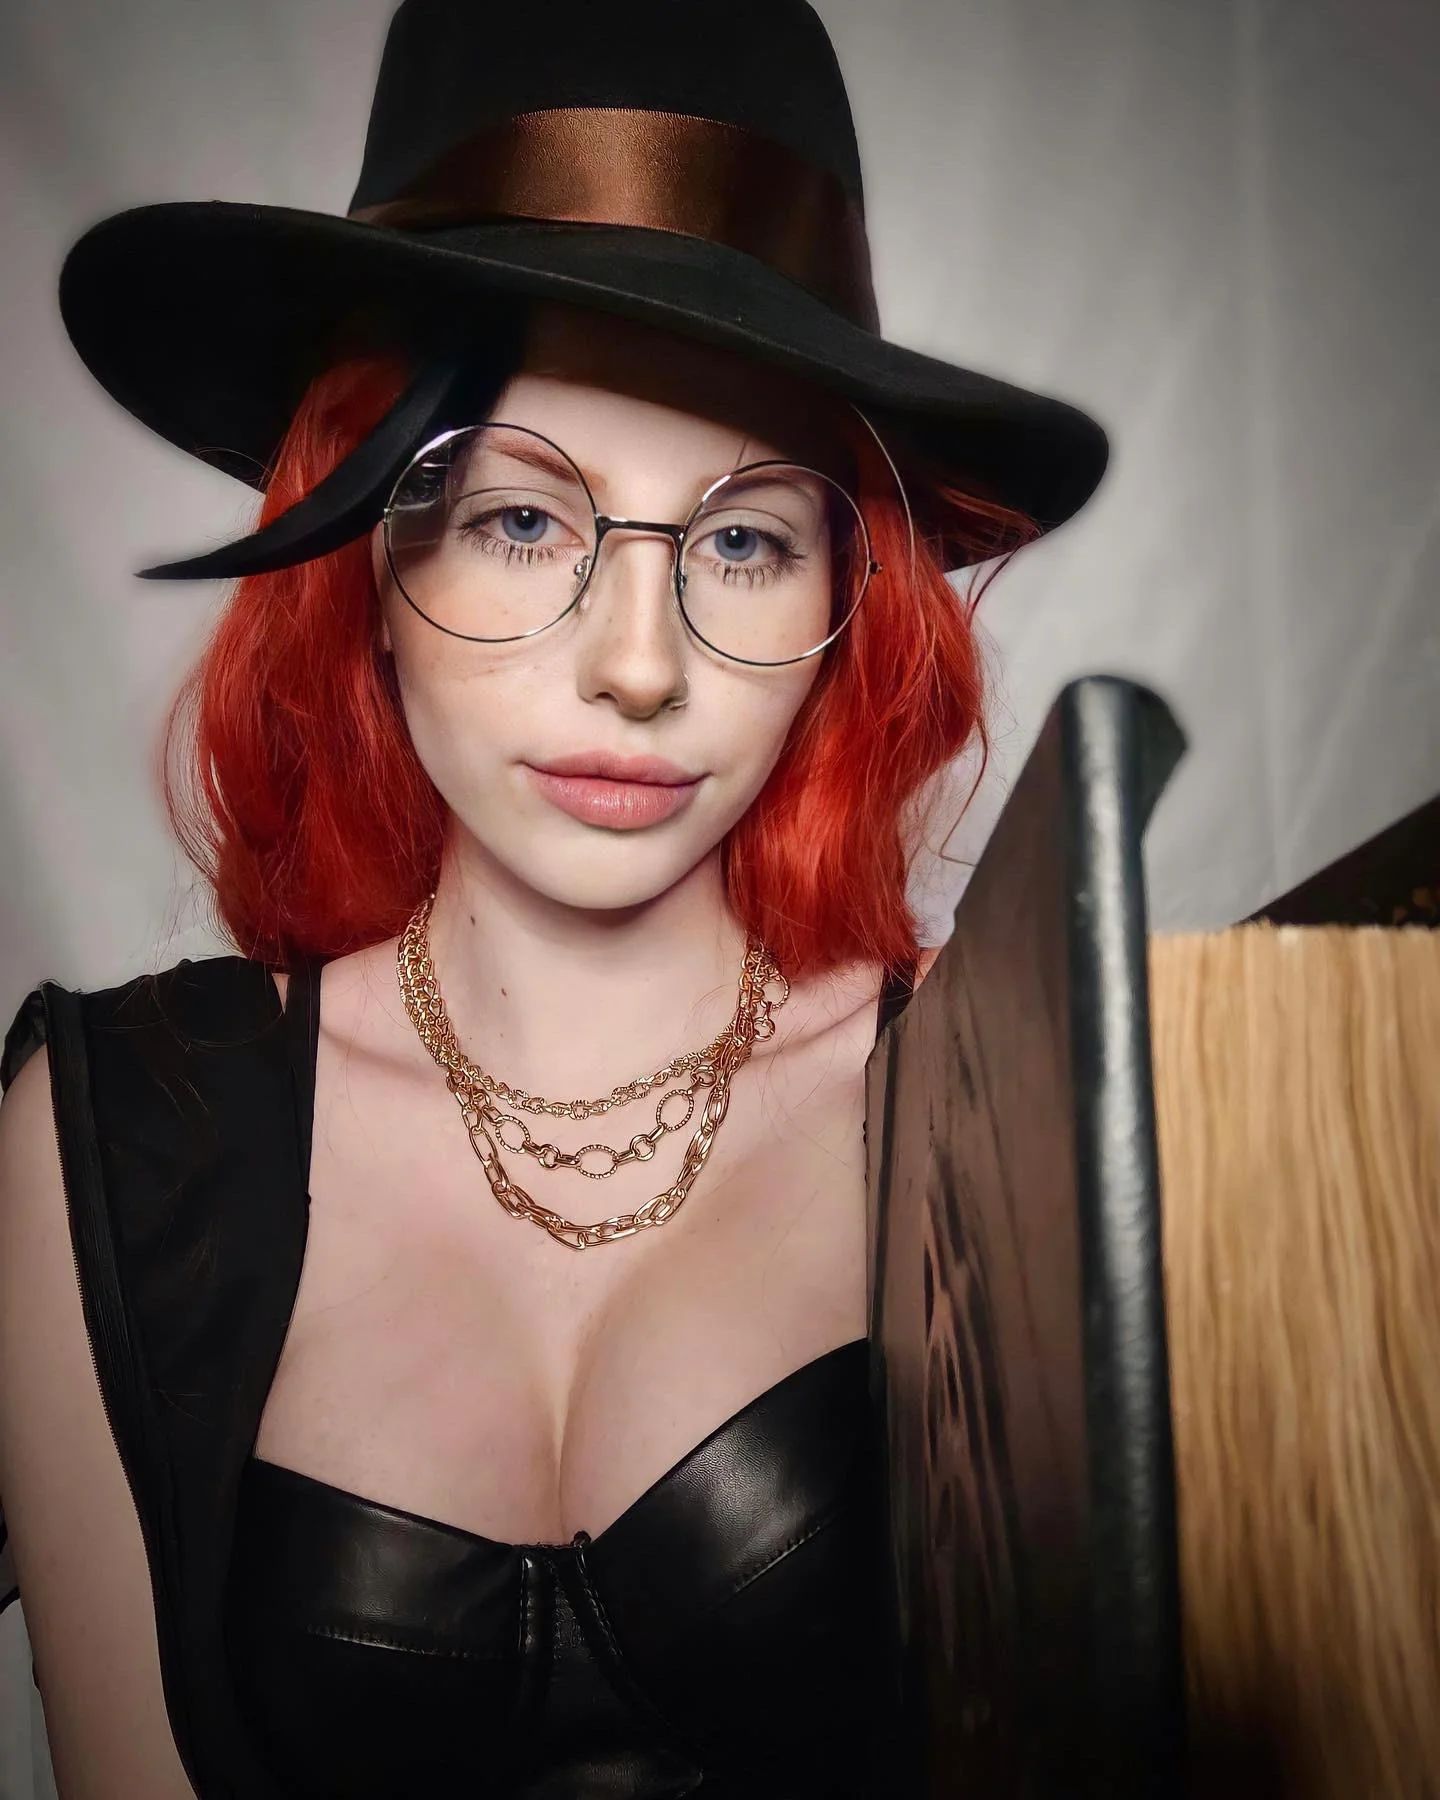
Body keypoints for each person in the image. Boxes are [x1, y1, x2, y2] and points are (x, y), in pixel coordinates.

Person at [0, 1, 1108, 1794]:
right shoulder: (107, 1141)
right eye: (522, 519)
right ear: (361, 548)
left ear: (848, 596)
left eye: (741, 539)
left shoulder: (1014, 1110)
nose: (640, 667)